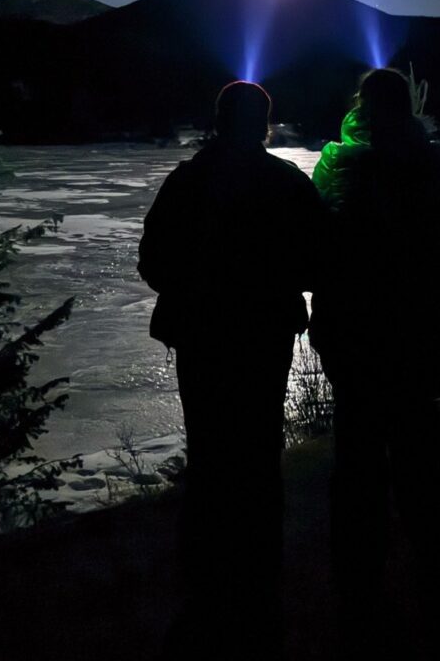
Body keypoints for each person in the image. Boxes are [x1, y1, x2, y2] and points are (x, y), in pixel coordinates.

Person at [138, 80, 325, 659]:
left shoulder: (186, 180)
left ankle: (206, 580)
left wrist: (197, 287)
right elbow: (319, 258)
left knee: (209, 449)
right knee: (259, 450)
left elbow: (153, 261)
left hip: (202, 335)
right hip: (264, 335)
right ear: (263, 124)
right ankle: (259, 577)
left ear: (219, 121)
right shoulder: (287, 182)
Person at [309, 67, 440, 639]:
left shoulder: (339, 163)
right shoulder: (433, 160)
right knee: (419, 441)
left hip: (354, 329)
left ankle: (358, 581)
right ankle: (436, 568)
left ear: (362, 105)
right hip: (414, 324)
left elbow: (318, 239)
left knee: (358, 452)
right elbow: (436, 226)